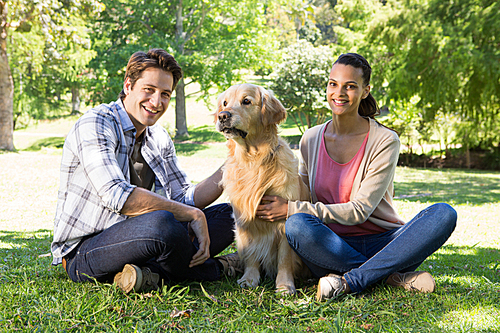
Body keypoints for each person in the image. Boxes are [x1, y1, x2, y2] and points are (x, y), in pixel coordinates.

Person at [256, 53, 457, 301]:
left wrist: (291, 208)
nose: (339, 93)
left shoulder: (384, 140)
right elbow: (303, 191)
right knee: (297, 226)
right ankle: (391, 277)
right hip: (329, 245)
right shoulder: (311, 138)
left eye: (350, 86)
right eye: (333, 84)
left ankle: (350, 281)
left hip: (385, 242)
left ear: (364, 91)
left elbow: (359, 211)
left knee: (443, 214)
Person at [51, 49, 241, 294]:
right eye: (148, 90)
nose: (156, 102)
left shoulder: (158, 136)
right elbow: (117, 196)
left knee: (231, 214)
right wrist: (193, 215)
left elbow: (183, 196)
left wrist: (236, 162)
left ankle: (146, 275)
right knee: (163, 223)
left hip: (141, 240)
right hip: (86, 251)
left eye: (165, 94)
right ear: (128, 85)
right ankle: (218, 268)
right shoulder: (96, 123)